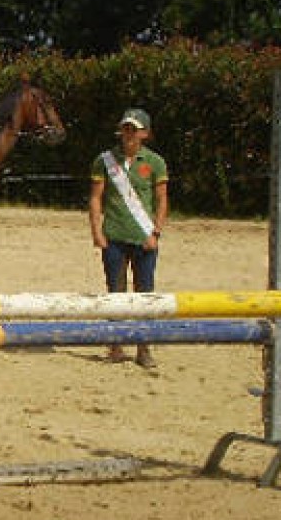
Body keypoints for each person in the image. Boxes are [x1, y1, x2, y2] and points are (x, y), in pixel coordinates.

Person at [88, 108, 169, 368]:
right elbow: (96, 198)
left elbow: (161, 200)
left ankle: (144, 348)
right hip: (114, 236)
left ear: (144, 133)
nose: (129, 134)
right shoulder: (105, 161)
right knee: (116, 293)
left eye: (134, 129)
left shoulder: (155, 162)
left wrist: (156, 232)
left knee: (145, 294)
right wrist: (97, 232)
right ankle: (116, 344)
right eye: (126, 128)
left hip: (144, 237)